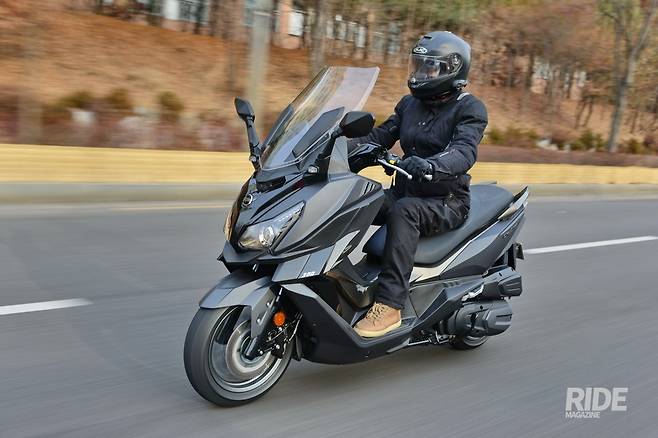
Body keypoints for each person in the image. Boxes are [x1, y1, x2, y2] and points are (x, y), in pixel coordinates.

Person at [351, 31, 488, 338]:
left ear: (453, 69)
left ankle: (390, 305)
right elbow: (379, 136)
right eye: (419, 65)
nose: (420, 73)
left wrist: (431, 165)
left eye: (430, 67)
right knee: (355, 198)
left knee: (404, 212)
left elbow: (464, 151)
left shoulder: (470, 109)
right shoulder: (409, 104)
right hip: (405, 190)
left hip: (445, 201)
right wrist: (334, 148)